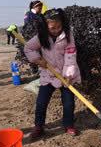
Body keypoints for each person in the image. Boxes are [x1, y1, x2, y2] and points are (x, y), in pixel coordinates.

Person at [24, 8, 81, 140]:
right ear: (45, 26)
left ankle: (68, 125)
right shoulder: (41, 36)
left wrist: (68, 75)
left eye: (59, 26)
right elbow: (28, 48)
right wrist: (37, 60)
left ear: (63, 24)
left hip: (66, 75)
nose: (56, 30)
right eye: (52, 28)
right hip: (48, 75)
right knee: (41, 102)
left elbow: (70, 56)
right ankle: (39, 126)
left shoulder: (68, 35)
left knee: (68, 103)